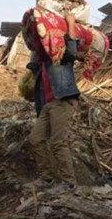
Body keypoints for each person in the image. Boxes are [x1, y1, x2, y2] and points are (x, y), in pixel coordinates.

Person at [26, 10, 80, 191]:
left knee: (58, 142)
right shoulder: (41, 65)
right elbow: (33, 58)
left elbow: (72, 51)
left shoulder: (60, 57)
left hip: (63, 101)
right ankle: (47, 178)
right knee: (35, 139)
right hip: (47, 105)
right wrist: (33, 36)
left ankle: (69, 182)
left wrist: (70, 23)